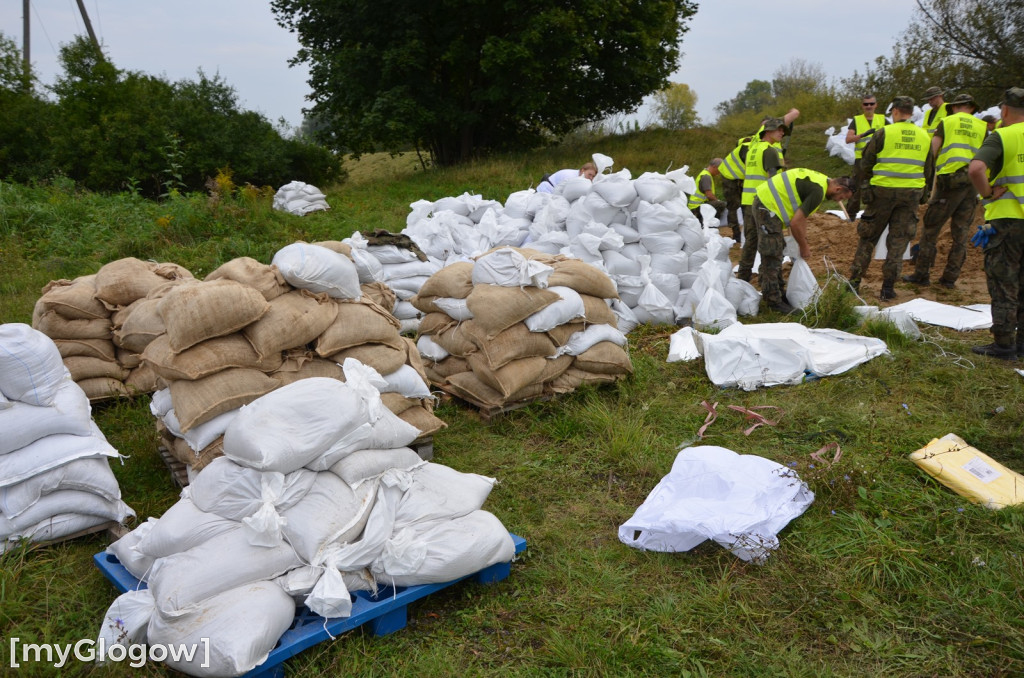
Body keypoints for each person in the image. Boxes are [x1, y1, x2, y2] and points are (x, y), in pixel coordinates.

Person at [848, 95, 934, 300]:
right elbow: (929, 170)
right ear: (911, 113)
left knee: (868, 238)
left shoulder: (884, 132)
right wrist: (924, 194)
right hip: (910, 195)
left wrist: (865, 188)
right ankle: (887, 288)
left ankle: (854, 284)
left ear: (895, 111)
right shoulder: (923, 136)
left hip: (882, 194)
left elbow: (866, 164)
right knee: (898, 242)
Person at [903, 93, 987, 288]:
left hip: (949, 181)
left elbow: (933, 150)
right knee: (961, 233)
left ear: (955, 107)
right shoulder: (982, 127)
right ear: (972, 108)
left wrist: (926, 177)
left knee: (931, 228)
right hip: (972, 183)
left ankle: (922, 274)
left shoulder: (947, 121)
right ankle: (949, 279)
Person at [966, 86, 1024, 360]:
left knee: (1004, 283)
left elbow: (976, 168)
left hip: (1007, 221)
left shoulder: (1003, 135)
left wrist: (987, 193)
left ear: (1004, 110)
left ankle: (1004, 345)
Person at [752, 169, 855, 314]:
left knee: (777, 249)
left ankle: (778, 294)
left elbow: (802, 218)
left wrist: (802, 240)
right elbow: (795, 223)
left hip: (766, 201)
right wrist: (803, 246)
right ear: (837, 188)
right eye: (841, 197)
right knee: (772, 253)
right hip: (768, 206)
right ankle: (773, 301)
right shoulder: (818, 192)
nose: (839, 200)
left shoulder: (822, 181)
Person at [717, 109, 799, 241]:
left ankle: (746, 236)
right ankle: (737, 235)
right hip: (731, 174)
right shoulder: (758, 140)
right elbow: (794, 114)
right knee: (734, 205)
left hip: (750, 184)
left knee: (749, 214)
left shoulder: (774, 143)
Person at [736, 117, 788, 282]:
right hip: (763, 204)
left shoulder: (753, 149)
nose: (782, 133)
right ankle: (766, 279)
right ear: (768, 131)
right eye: (778, 129)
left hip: (748, 201)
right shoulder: (770, 151)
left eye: (783, 130)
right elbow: (773, 181)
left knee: (750, 242)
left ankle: (742, 278)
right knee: (769, 243)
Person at [845, 94, 886, 217]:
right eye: (866, 104)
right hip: (861, 159)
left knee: (878, 186)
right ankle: (851, 214)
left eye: (871, 104)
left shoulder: (882, 119)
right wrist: (863, 135)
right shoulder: (857, 120)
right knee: (856, 187)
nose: (869, 106)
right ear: (862, 106)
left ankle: (876, 212)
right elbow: (848, 139)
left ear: (876, 105)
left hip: (878, 159)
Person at [687, 158, 726, 226]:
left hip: (696, 206)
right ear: (714, 167)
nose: (719, 172)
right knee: (721, 204)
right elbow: (709, 195)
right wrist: (718, 201)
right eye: (719, 170)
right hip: (697, 207)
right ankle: (709, 224)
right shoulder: (706, 176)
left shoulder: (704, 173)